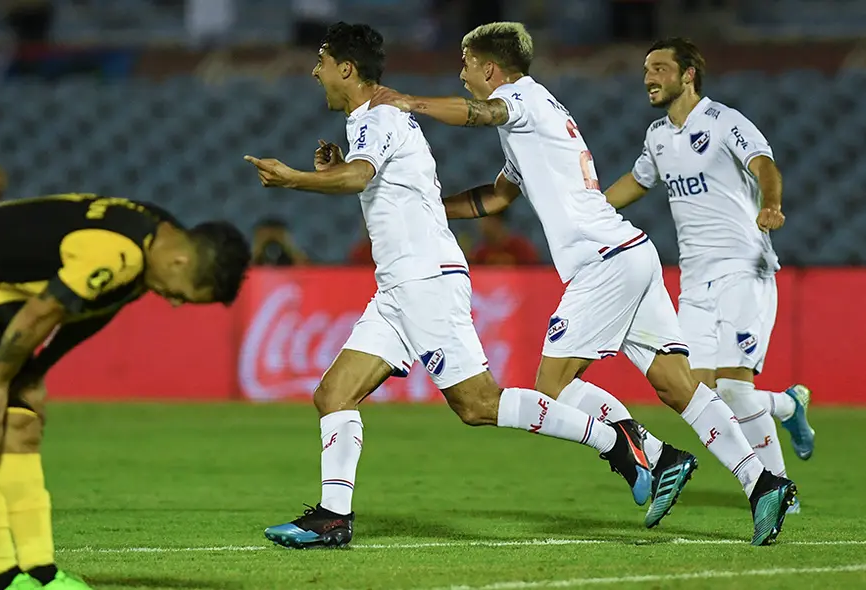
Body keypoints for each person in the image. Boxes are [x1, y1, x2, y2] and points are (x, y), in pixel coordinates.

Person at [369, 21, 795, 545]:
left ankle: (653, 456)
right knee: (677, 385)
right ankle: (763, 482)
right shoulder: (530, 121)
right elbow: (497, 197)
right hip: (629, 252)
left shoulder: (520, 98)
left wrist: (410, 102)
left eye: (465, 64)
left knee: (551, 386)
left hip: (605, 261)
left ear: (490, 69)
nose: (460, 74)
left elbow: (482, 113)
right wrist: (429, 206)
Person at [244, 21, 653, 550]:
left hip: (425, 280)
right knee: (334, 393)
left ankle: (618, 444)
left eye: (320, 61)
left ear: (346, 69)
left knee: (478, 404)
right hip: (399, 285)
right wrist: (338, 170)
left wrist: (293, 177)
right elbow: (376, 182)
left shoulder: (379, 114)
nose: (313, 71)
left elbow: (362, 178)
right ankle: (332, 518)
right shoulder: (370, 122)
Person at [0, 194, 250, 589]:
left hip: (0, 297)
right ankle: (5, 577)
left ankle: (41, 572)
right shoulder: (116, 252)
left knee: (23, 426)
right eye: (181, 294)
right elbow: (42, 313)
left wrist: (37, 370)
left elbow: (88, 312)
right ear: (180, 262)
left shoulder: (156, 241)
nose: (172, 303)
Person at [603, 38, 815, 513]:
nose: (649, 77)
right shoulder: (657, 135)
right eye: (646, 69)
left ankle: (778, 488)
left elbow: (764, 165)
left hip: (743, 265)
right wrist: (589, 210)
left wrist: (772, 205)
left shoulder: (724, 122)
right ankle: (786, 405)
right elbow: (638, 181)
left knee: (735, 388)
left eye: (659, 68)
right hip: (695, 279)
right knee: (698, 392)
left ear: (688, 74)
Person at [470, 209, 539, 266]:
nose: (480, 224)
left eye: (483, 219)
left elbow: (533, 274)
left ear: (496, 219)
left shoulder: (522, 248)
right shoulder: (479, 253)